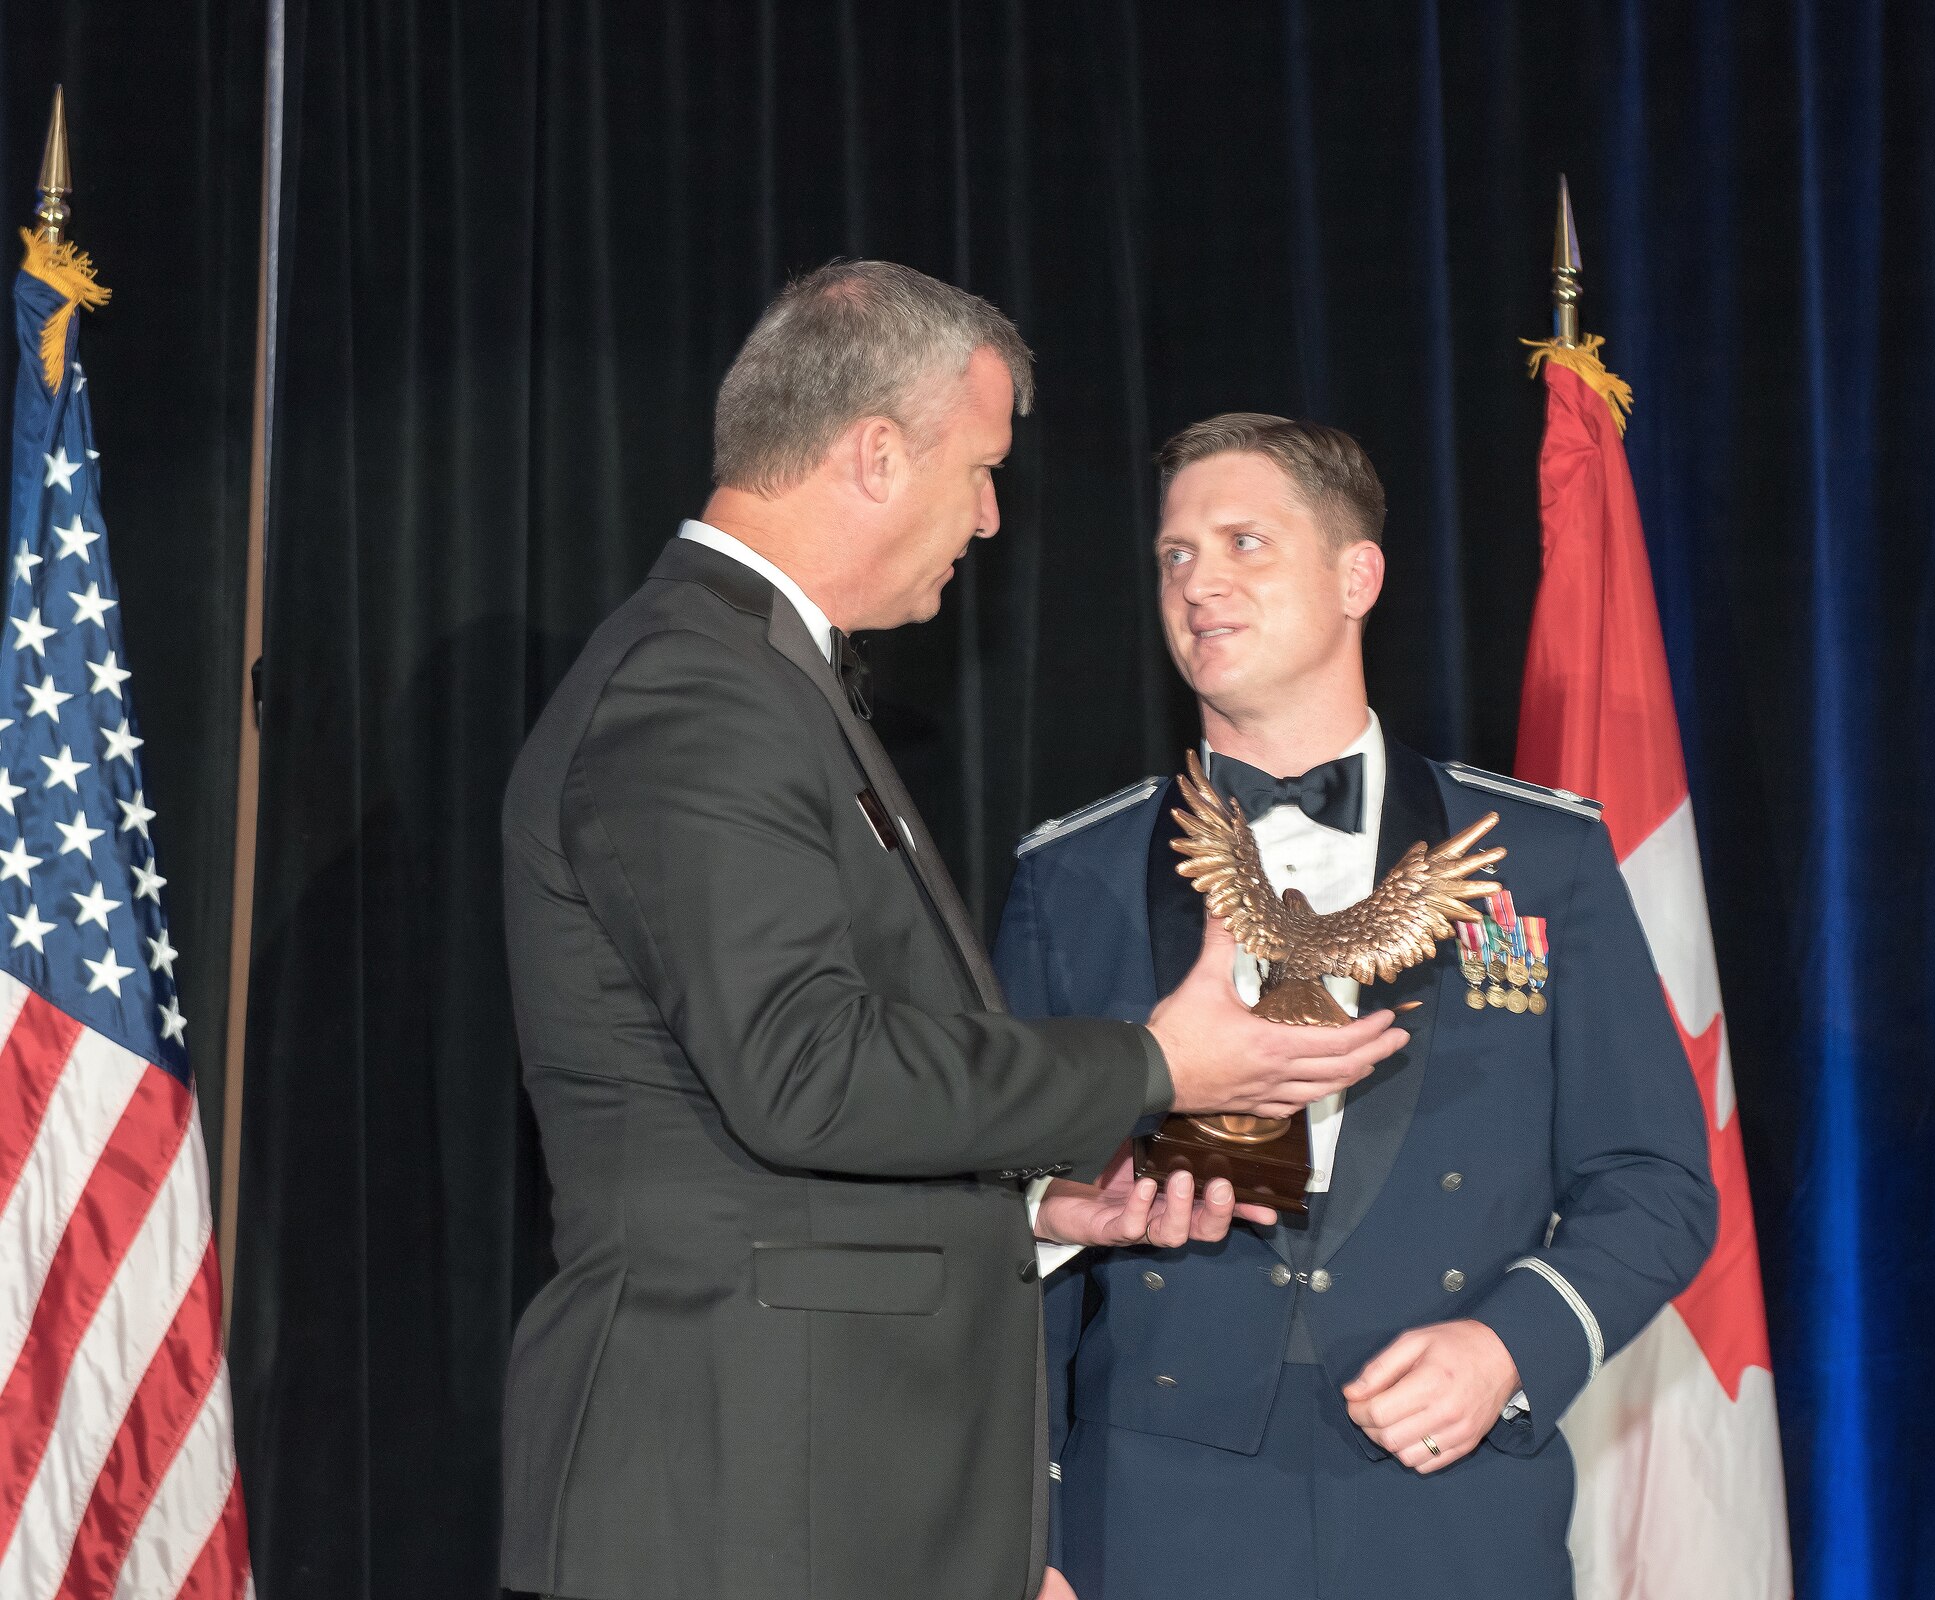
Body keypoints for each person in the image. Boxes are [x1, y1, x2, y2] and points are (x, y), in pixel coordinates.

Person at [498, 271, 1410, 1600]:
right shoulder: (697, 690)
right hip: (735, 1513)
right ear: (876, 453)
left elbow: (792, 1123)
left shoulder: (770, 682)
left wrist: (1032, 1208)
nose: (991, 515)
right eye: (981, 470)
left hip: (823, 1506)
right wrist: (1156, 1067)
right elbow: (806, 1076)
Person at [995, 414, 1718, 1599]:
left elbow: (1653, 1179)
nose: (1198, 583)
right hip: (1151, 1523)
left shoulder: (1536, 856)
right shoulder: (1071, 874)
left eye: (1242, 542)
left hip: (1447, 1502)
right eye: (1175, 554)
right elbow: (1003, 1211)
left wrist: (1508, 1344)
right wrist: (1025, 1530)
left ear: (1355, 574)